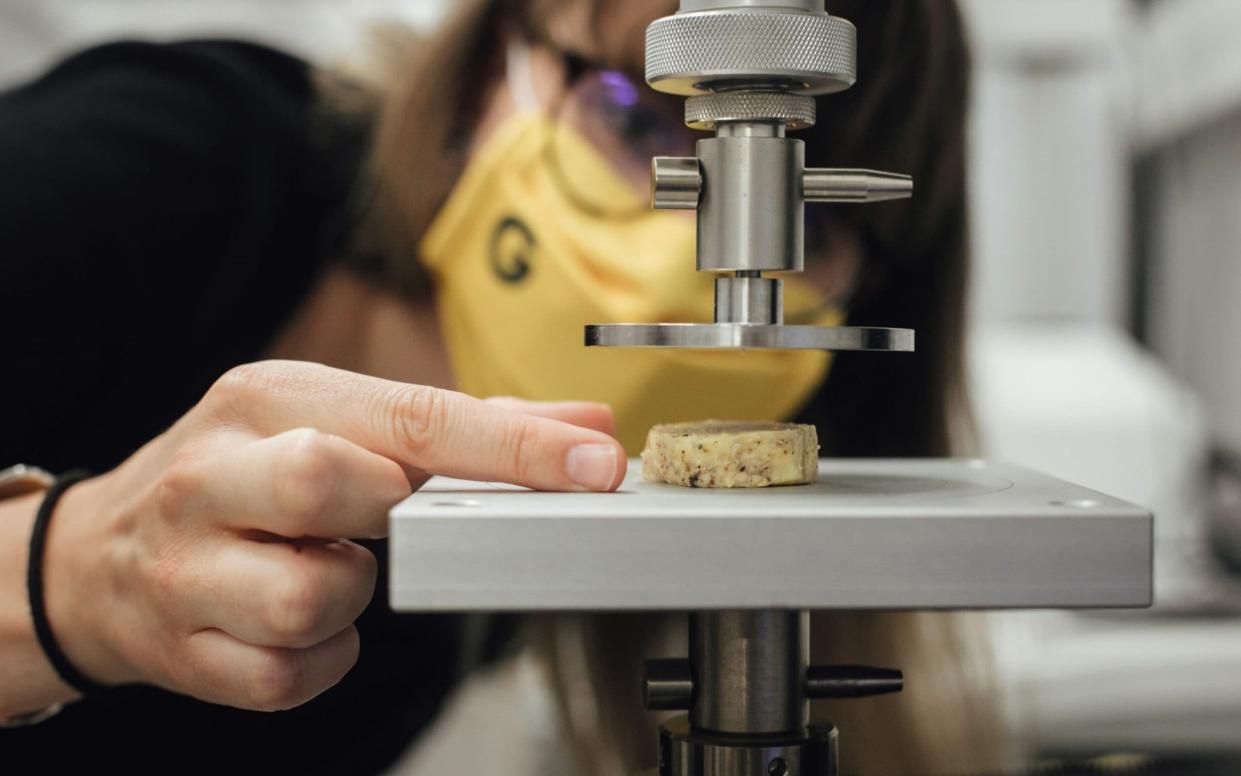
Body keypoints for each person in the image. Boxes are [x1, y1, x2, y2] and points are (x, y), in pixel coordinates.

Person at [0, 0, 993, 773]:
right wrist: (75, 576)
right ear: (491, 66)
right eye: (635, 117)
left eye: (804, 225)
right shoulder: (149, 166)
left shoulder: (518, 530)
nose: (681, 249)